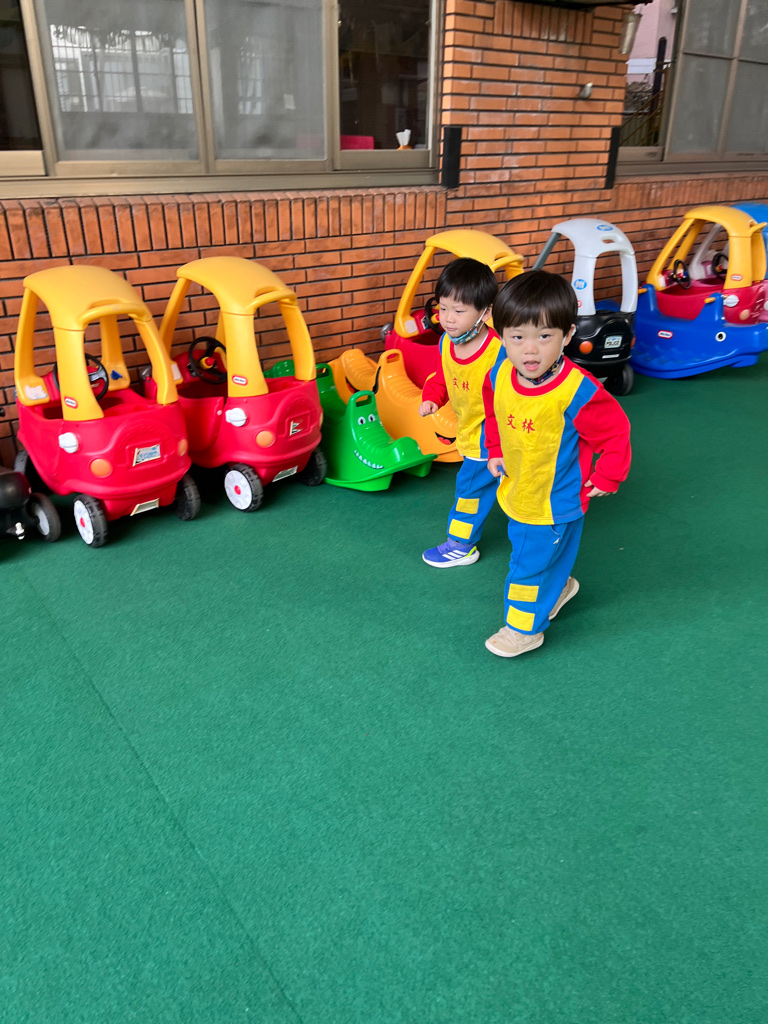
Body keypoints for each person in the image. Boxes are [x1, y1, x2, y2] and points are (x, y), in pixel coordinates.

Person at [481, 269, 631, 657]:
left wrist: (609, 474)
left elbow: (615, 431)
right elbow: (494, 412)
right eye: (517, 337)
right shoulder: (500, 372)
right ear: (501, 336)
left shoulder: (577, 390)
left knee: (527, 564)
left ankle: (523, 629)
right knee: (540, 551)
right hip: (519, 487)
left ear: (567, 336)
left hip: (553, 500)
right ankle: (560, 586)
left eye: (545, 336)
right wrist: (494, 449)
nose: (530, 350)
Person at [419, 257, 505, 567]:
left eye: (458, 311)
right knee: (494, 484)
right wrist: (433, 398)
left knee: (470, 490)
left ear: (486, 312)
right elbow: (442, 377)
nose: (448, 319)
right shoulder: (446, 342)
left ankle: (462, 545)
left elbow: (509, 398)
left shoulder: (498, 351)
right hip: (469, 430)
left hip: (492, 435)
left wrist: (497, 445)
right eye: (443, 308)